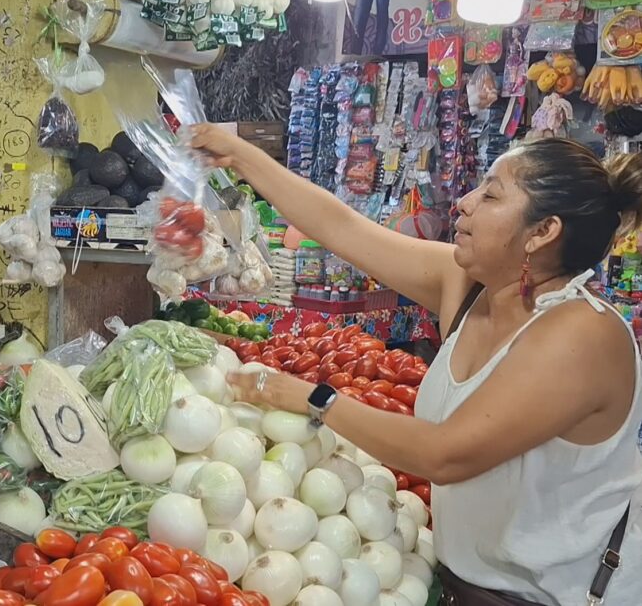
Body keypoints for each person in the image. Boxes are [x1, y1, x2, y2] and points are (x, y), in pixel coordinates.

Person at [190, 124, 642, 606]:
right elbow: (342, 228)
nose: (464, 203)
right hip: (464, 588)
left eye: (491, 196)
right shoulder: (469, 287)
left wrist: (313, 398)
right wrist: (238, 155)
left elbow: (445, 455)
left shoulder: (582, 334)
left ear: (543, 232)